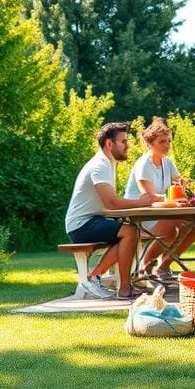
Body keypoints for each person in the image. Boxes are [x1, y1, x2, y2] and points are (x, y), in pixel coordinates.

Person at [65, 122, 159, 299]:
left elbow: (109, 204)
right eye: (123, 141)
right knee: (130, 231)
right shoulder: (100, 165)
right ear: (109, 144)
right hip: (81, 225)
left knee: (130, 232)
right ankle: (121, 288)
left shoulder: (108, 163)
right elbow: (111, 202)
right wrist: (141, 202)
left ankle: (96, 277)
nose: (127, 145)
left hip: (91, 221)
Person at [124, 117, 195, 281]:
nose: (167, 145)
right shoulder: (143, 165)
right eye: (162, 141)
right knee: (170, 229)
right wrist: (174, 202)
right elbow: (150, 198)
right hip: (138, 215)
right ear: (150, 143)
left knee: (193, 228)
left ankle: (164, 265)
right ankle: (144, 267)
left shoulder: (167, 163)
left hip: (159, 213)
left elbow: (181, 187)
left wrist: (194, 189)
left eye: (168, 141)